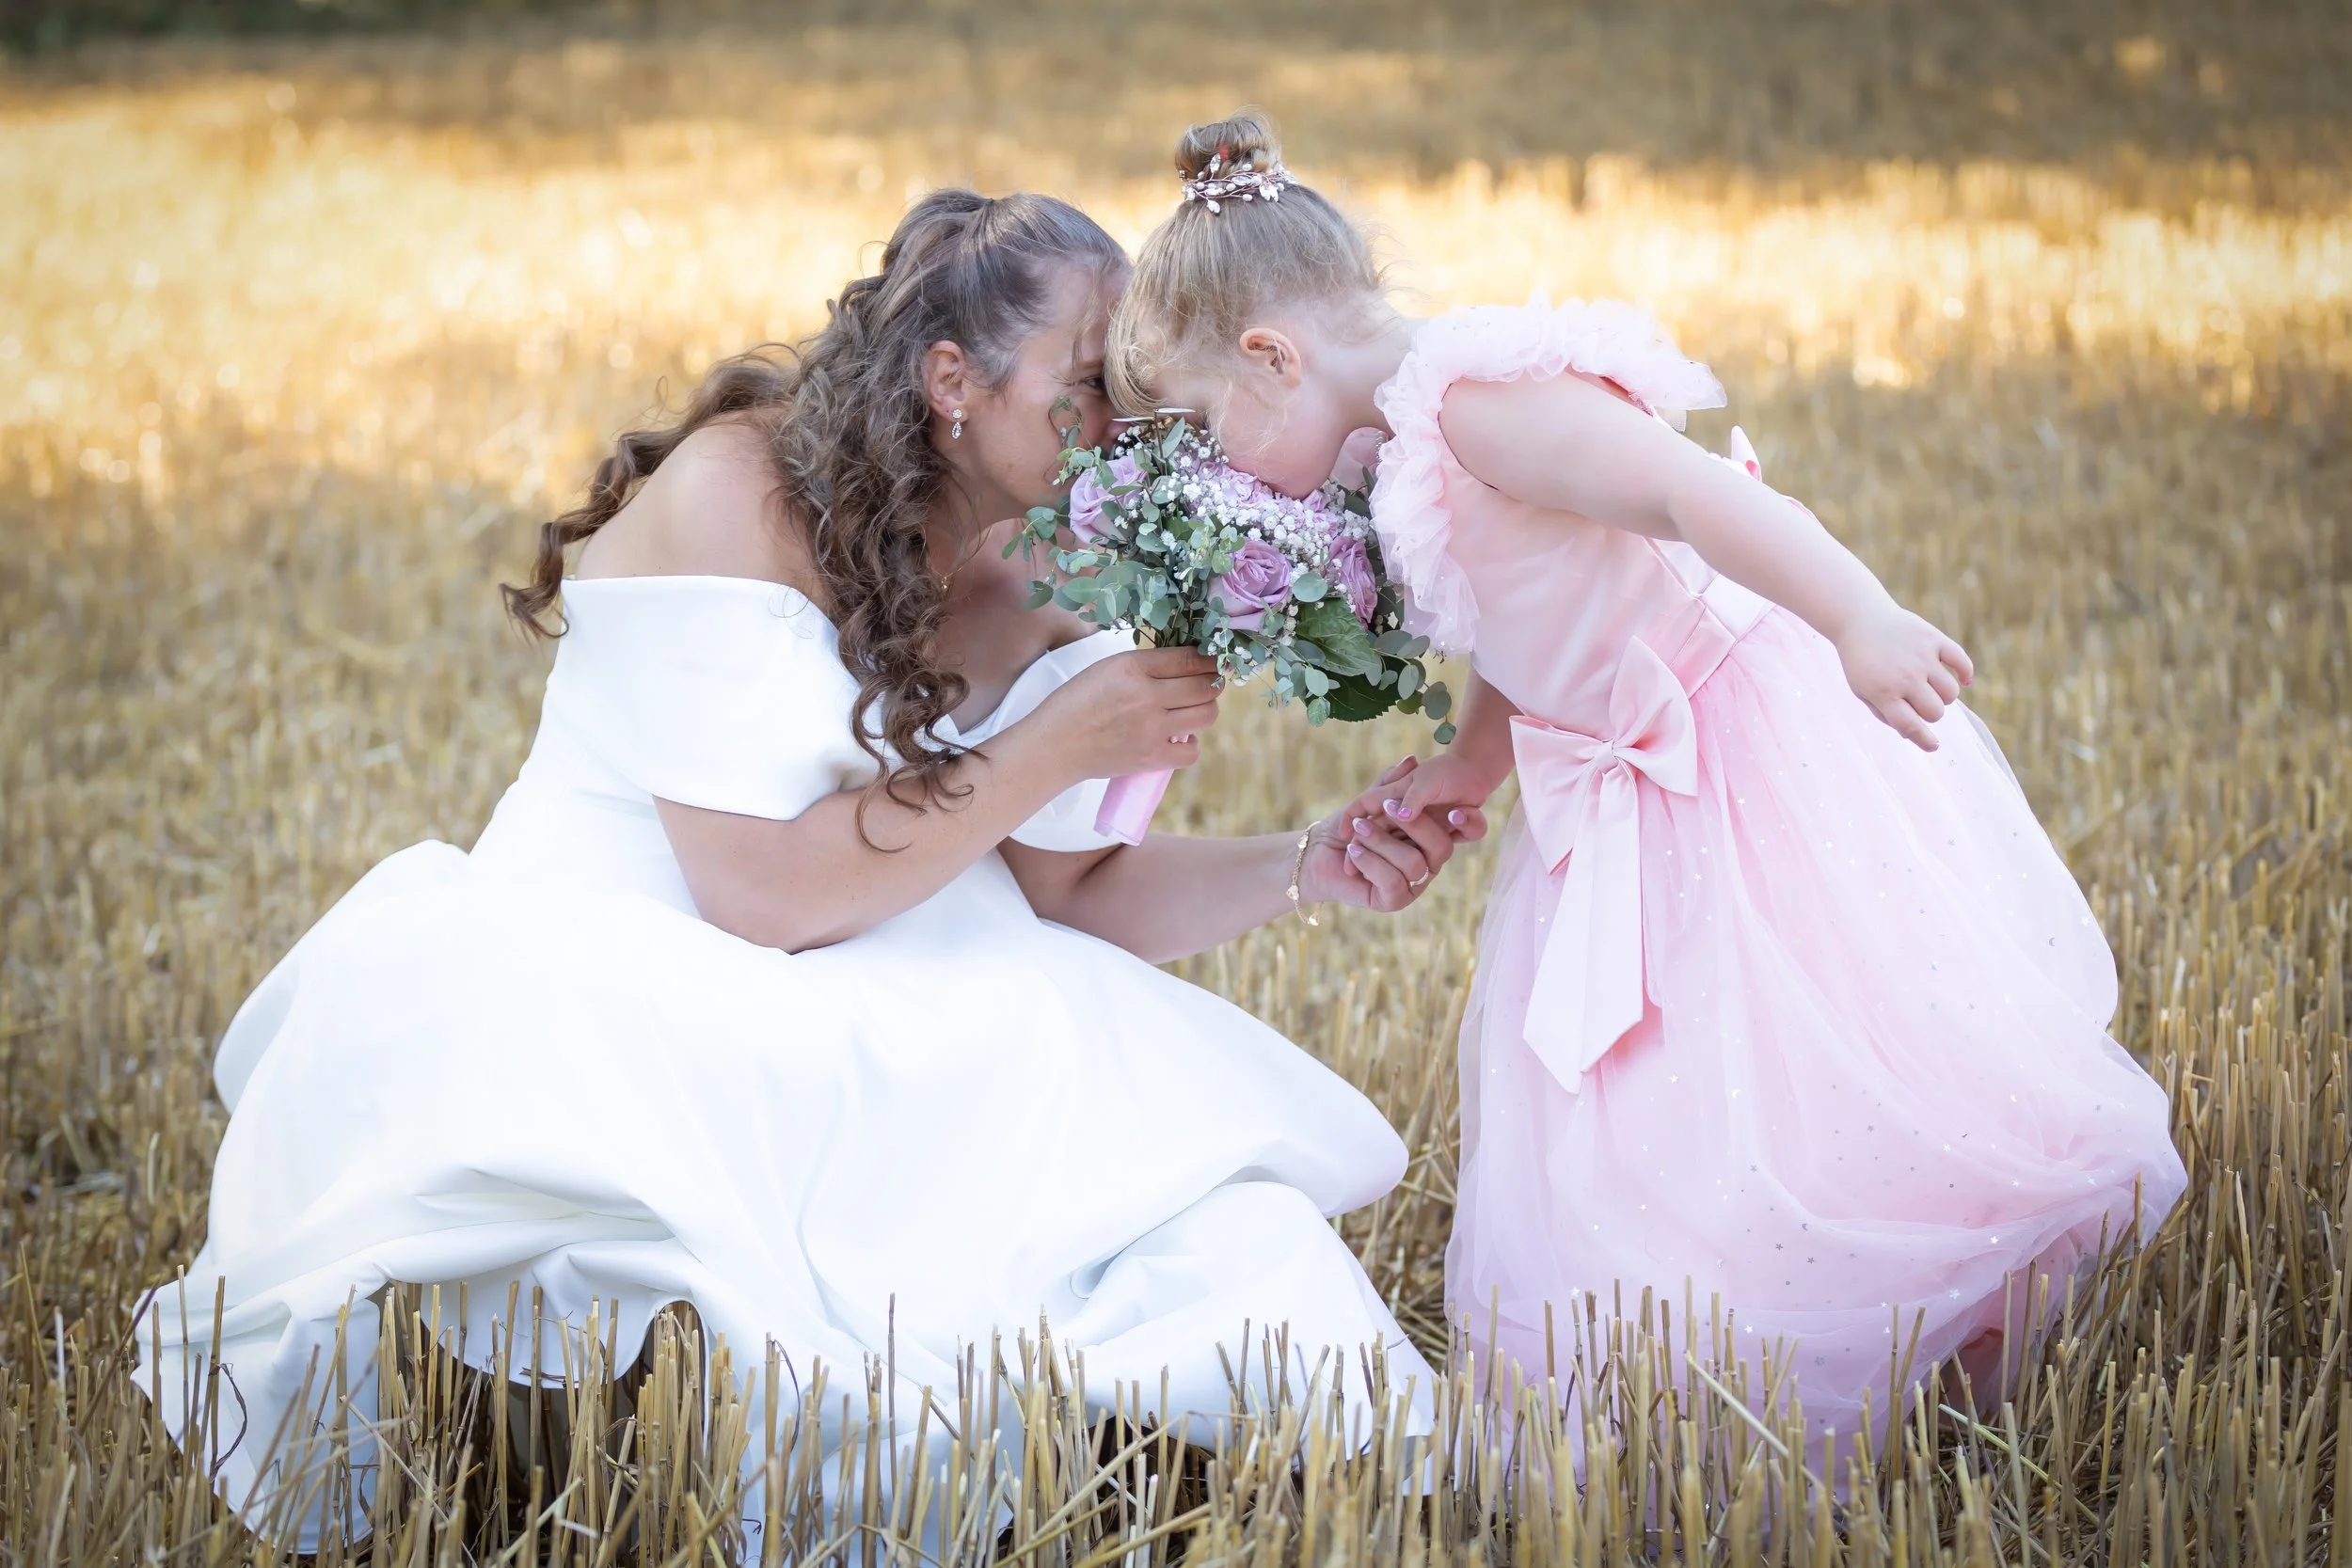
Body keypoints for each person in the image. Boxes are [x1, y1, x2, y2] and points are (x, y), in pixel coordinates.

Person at [135, 188, 1483, 1545]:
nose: (1126, 430)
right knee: (806, 1110)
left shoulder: (1046, 560)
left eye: (1130, 387)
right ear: (954, 379)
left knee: (1088, 1101)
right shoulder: (730, 495)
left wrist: (1314, 861)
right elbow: (757, 894)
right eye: (1087, 387)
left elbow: (1069, 895)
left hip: (899, 928)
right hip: (646, 933)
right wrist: (1058, 743)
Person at [1105, 112, 2186, 1446]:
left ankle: (1918, 1320)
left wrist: (1862, 619)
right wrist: (1471, 759)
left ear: (1272, 358)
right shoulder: (1407, 453)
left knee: (1810, 1054)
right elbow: (1525, 617)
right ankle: (1717, 1353)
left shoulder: (1475, 404)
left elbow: (1692, 499)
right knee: (1648, 1099)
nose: (1216, 469)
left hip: (1729, 751)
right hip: (1606, 784)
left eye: (1206, 424)